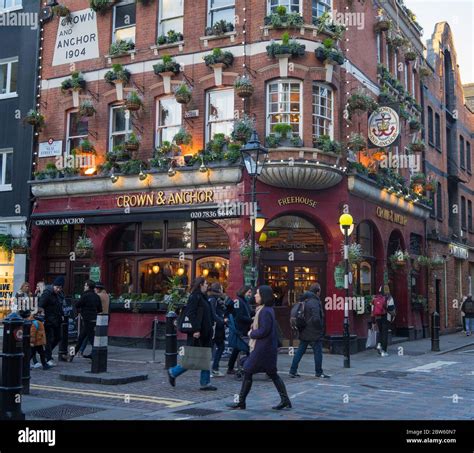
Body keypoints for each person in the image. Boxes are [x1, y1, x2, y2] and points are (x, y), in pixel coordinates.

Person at [228, 285, 292, 410]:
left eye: (257, 293)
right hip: (267, 348)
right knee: (271, 374)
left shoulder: (265, 311)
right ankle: (285, 400)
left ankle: (241, 402)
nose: (255, 296)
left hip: (262, 349)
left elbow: (264, 331)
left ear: (264, 296)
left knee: (248, 371)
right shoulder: (265, 310)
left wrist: (251, 333)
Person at [168, 277, 217, 391]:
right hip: (197, 333)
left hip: (205, 333)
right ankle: (173, 372)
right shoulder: (194, 297)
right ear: (200, 285)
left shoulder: (203, 297)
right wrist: (195, 330)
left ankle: (205, 383)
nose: (207, 286)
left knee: (205, 357)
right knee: (192, 359)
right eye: (205, 283)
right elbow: (190, 314)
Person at [289, 283, 330, 379]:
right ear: (317, 291)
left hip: (304, 331)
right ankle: (319, 372)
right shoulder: (315, 302)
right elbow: (316, 318)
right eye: (319, 290)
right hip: (314, 332)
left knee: (300, 351)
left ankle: (292, 371)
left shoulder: (305, 300)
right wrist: (320, 328)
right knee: (318, 352)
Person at [69, 280, 102, 362]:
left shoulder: (85, 295)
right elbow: (100, 309)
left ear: (88, 286)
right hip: (94, 319)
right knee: (81, 339)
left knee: (92, 340)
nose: (84, 287)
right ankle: (71, 356)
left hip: (87, 320)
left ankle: (97, 357)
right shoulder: (96, 296)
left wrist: (81, 309)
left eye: (85, 285)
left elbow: (77, 305)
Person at [226, 285, 253, 375]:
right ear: (244, 292)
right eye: (249, 292)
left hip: (244, 328)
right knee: (248, 348)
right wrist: (251, 320)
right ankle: (248, 366)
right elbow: (239, 317)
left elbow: (249, 313)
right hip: (241, 329)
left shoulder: (245, 302)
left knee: (237, 349)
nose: (250, 294)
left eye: (251, 292)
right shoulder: (238, 301)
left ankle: (230, 367)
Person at [38, 276, 65, 366]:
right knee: (49, 339)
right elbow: (40, 305)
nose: (58, 289)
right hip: (48, 319)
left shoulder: (59, 294)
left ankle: (46, 354)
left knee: (58, 337)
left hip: (57, 319)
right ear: (54, 285)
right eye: (57, 287)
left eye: (60, 288)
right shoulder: (47, 293)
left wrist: (62, 315)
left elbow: (60, 305)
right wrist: (42, 316)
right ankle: (48, 358)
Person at [208, 282, 226, 377]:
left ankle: (214, 368)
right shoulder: (214, 299)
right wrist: (222, 321)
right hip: (215, 328)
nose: (223, 290)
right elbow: (213, 313)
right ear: (219, 289)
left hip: (216, 327)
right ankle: (214, 369)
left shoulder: (215, 298)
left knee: (218, 347)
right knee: (219, 347)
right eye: (222, 288)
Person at [372, 285, 390, 357]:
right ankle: (384, 351)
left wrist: (373, 321)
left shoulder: (375, 298)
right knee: (385, 333)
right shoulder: (388, 298)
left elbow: (372, 309)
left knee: (380, 331)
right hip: (385, 317)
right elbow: (391, 308)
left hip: (377, 317)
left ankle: (379, 344)